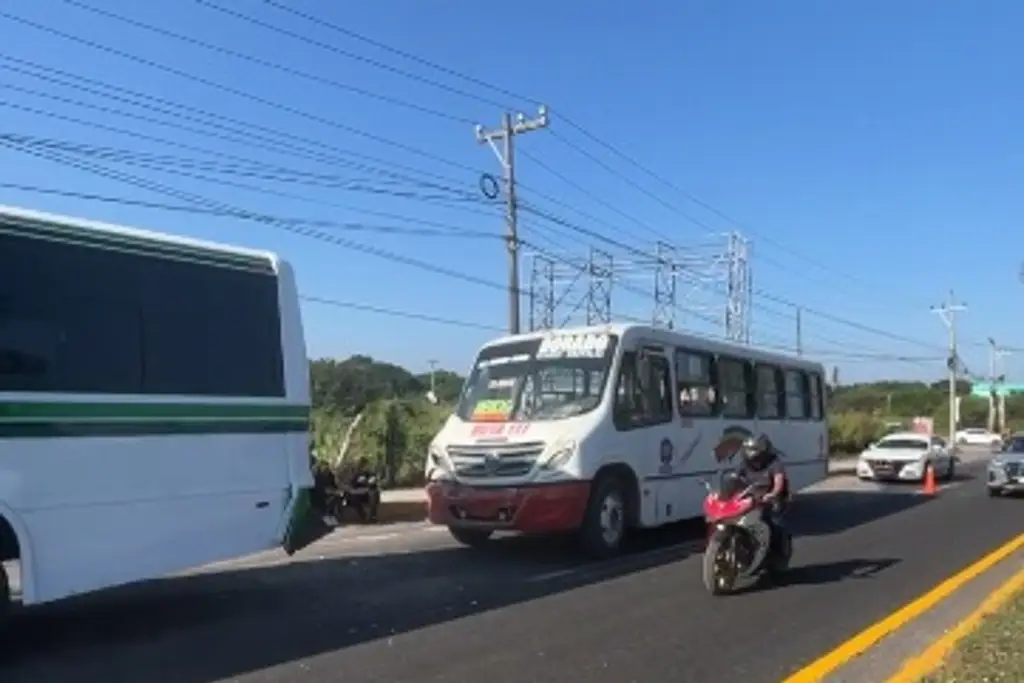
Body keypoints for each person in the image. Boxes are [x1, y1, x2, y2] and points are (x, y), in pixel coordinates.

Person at [736, 434, 790, 562]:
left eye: (753, 449)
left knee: (775, 523)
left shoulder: (774, 462)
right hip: (753, 496)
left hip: (772, 497)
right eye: (748, 449)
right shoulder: (744, 463)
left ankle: (779, 552)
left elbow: (779, 482)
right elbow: (735, 478)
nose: (750, 453)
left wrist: (772, 494)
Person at [344, 457, 381, 523]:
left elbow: (373, 483)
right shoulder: (355, 473)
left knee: (374, 494)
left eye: (366, 465)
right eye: (364, 465)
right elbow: (351, 485)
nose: (365, 467)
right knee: (353, 498)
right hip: (357, 494)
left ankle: (372, 515)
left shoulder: (370, 473)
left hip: (367, 493)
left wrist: (371, 481)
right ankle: (363, 515)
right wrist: (357, 482)